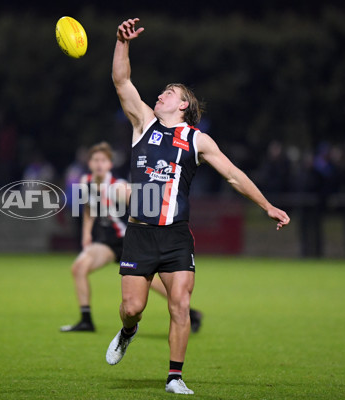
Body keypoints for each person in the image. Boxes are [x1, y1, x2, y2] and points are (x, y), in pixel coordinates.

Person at [105, 19, 290, 395]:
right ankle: (128, 330)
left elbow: (234, 175)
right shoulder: (144, 123)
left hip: (175, 236)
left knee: (181, 303)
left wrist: (267, 205)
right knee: (132, 307)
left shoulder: (196, 140)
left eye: (168, 92)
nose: (161, 95)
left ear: (183, 104)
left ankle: (175, 377)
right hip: (139, 234)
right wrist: (121, 43)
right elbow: (122, 82)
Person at [61, 143, 204, 333]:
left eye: (103, 160)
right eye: (95, 160)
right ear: (89, 163)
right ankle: (86, 320)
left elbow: (143, 204)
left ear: (110, 165)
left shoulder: (118, 186)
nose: (99, 164)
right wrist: (87, 233)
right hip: (107, 244)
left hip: (128, 241)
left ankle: (190, 312)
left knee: (153, 284)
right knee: (79, 268)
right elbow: (89, 207)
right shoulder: (86, 181)